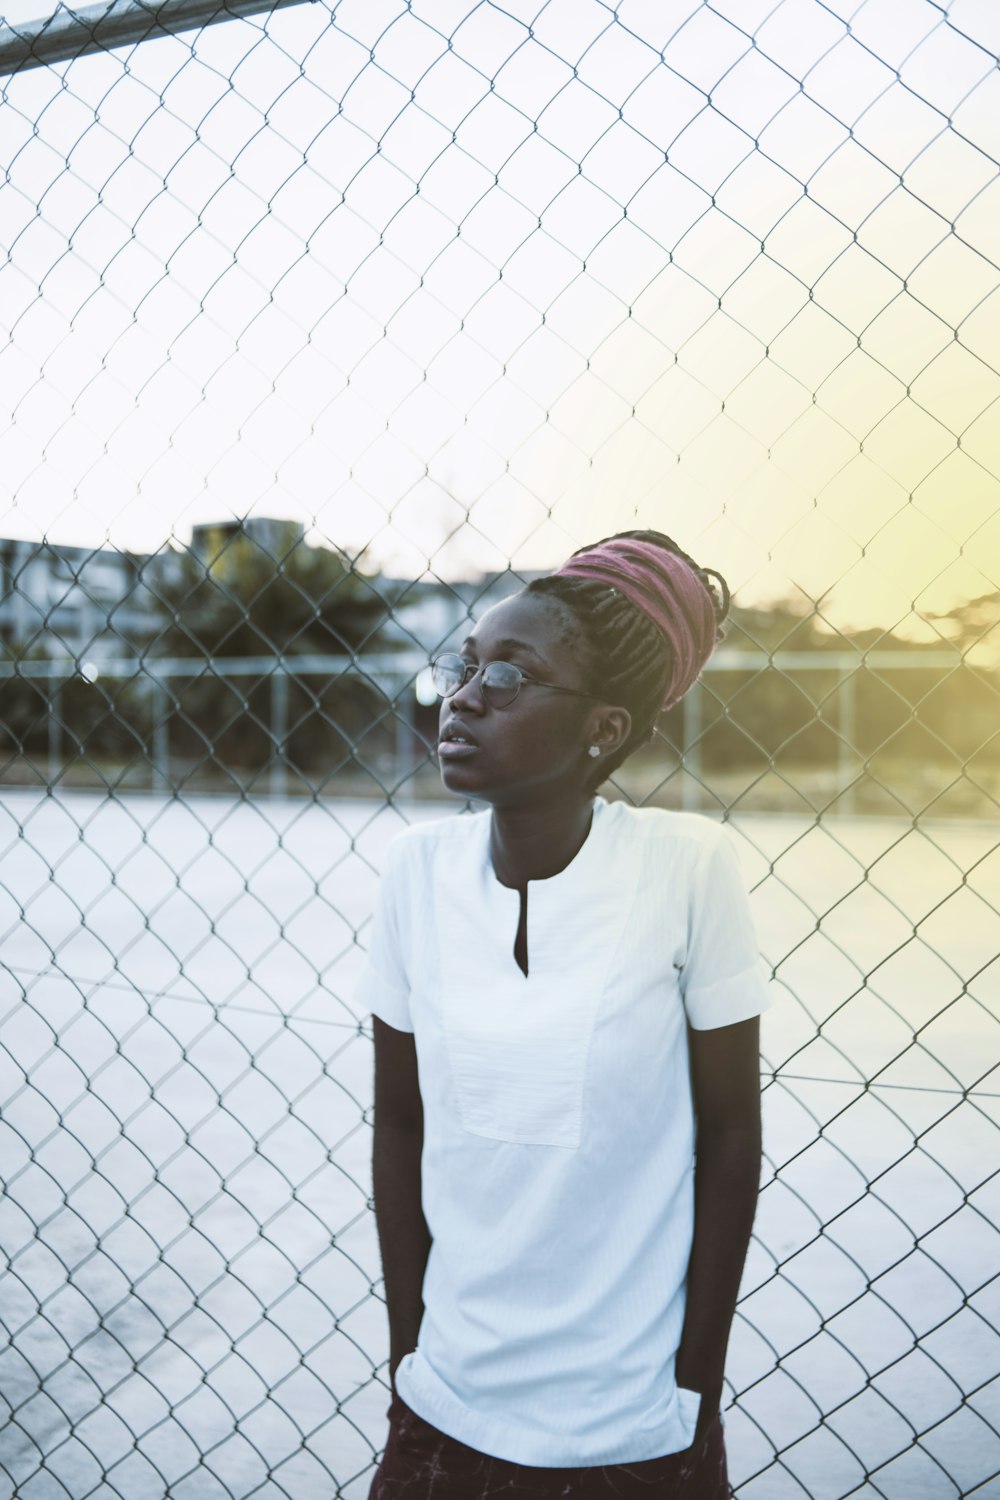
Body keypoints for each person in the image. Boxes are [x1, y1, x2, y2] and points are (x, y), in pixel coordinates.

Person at [359, 530, 771, 1498]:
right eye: (466, 667)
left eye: (510, 674)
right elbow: (402, 1123)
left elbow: (731, 1135)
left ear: (605, 728)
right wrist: (411, 1356)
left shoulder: (687, 869)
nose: (463, 697)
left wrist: (690, 1391)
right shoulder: (415, 875)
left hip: (630, 1427)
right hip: (444, 1406)